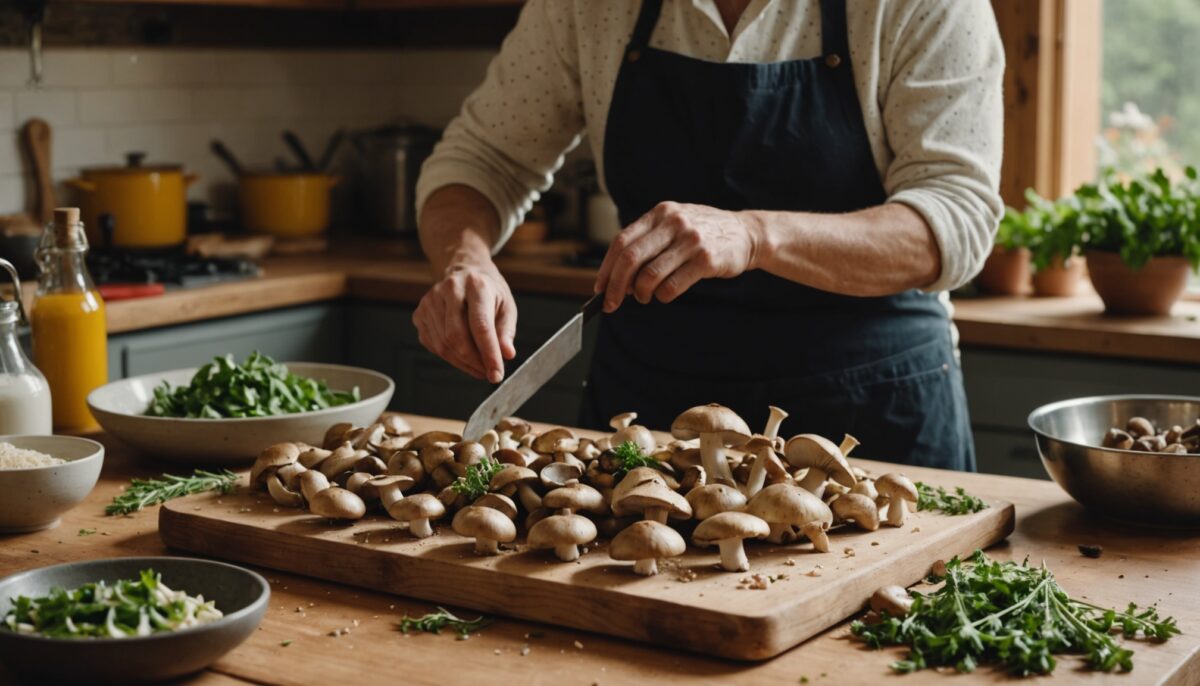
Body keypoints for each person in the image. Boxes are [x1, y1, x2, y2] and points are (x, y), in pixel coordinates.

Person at [413, 0, 1004, 470]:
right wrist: (466, 260)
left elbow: (955, 217)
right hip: (650, 421)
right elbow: (483, 159)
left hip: (868, 417)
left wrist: (754, 236)